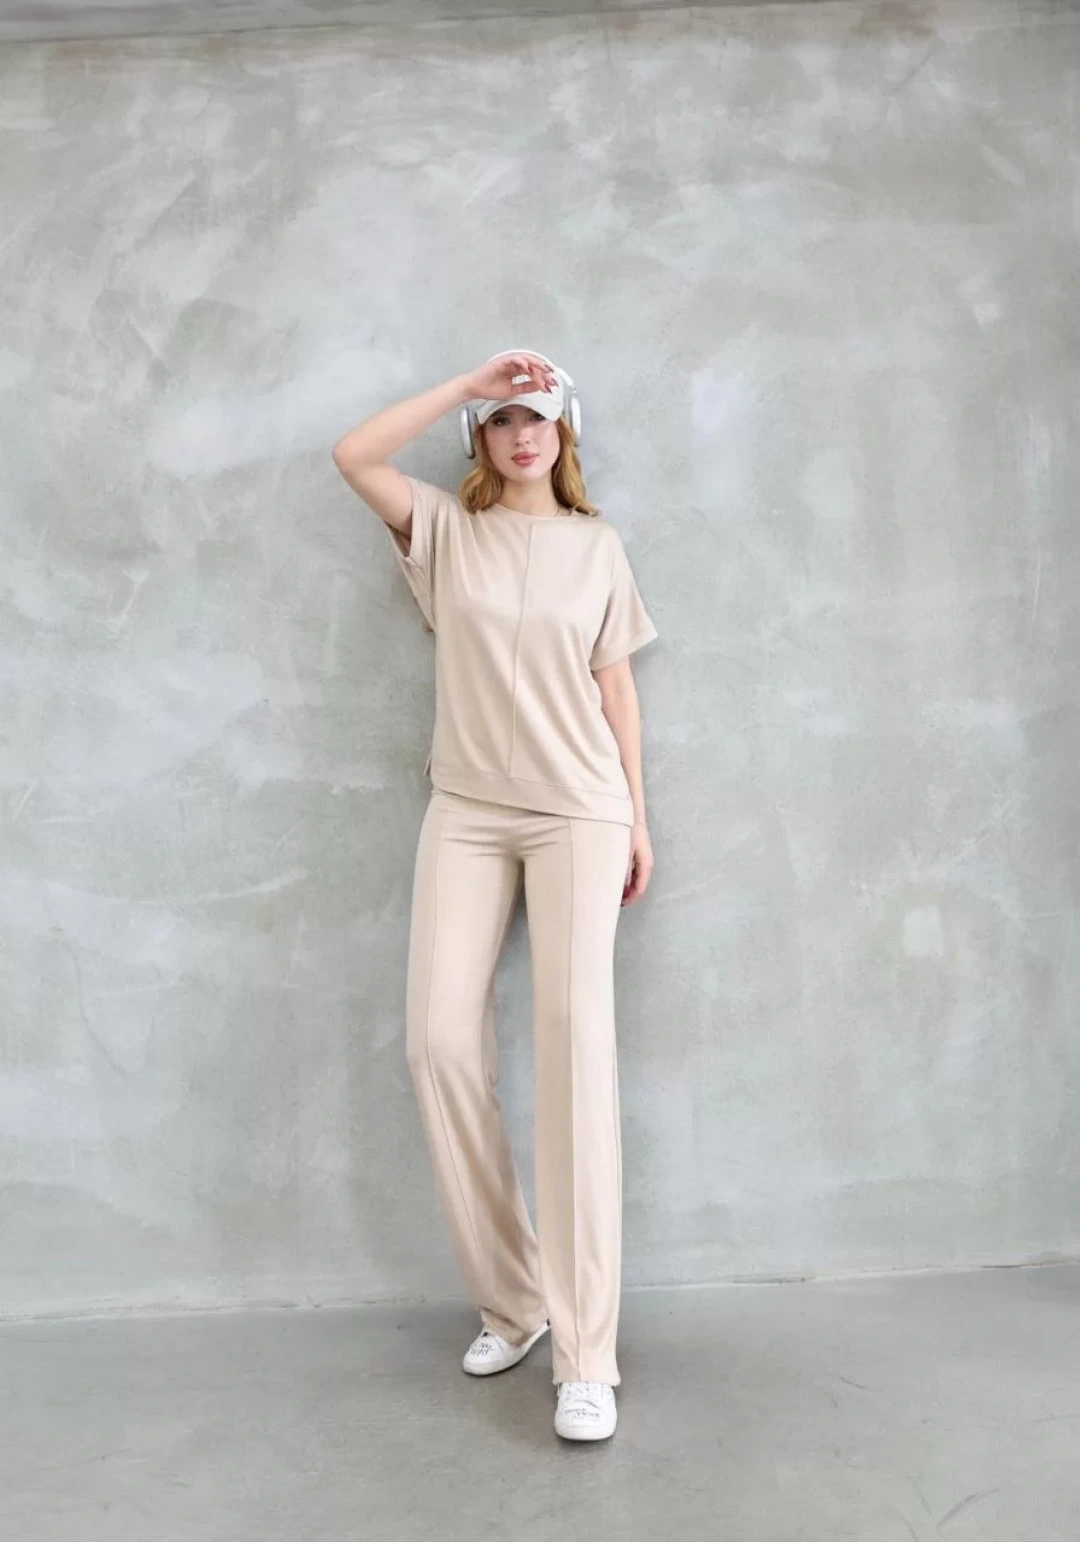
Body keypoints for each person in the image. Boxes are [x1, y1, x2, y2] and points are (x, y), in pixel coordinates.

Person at [331, 351, 659, 1442]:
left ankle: (587, 1356)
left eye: (539, 418)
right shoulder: (443, 530)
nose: (523, 435)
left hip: (578, 810)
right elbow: (354, 455)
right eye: (503, 420)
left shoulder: (597, 547)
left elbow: (617, 689)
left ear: (567, 434)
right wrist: (465, 383)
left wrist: (638, 818)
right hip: (467, 809)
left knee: (574, 1052)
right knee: (437, 1044)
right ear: (480, 436)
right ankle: (514, 1302)